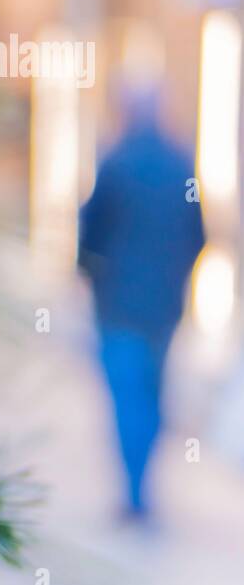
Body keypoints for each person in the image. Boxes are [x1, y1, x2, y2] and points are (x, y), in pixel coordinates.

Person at [78, 87, 204, 517]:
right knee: (151, 393)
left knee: (127, 395)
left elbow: (89, 233)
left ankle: (135, 489)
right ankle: (141, 486)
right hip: (163, 305)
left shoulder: (114, 163)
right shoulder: (180, 164)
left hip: (117, 304)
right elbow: (198, 232)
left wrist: (92, 275)